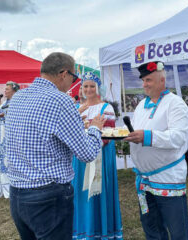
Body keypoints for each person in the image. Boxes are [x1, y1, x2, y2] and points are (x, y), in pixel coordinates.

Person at [5, 52, 106, 240]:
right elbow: (87, 153)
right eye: (74, 77)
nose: (73, 83)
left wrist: (74, 125)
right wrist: (94, 129)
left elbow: (37, 133)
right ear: (63, 73)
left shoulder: (18, 97)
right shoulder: (61, 100)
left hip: (17, 192)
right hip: (48, 195)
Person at [125, 61, 188, 240]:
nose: (144, 84)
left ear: (162, 80)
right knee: (151, 229)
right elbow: (136, 131)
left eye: (149, 80)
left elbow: (178, 137)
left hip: (167, 179)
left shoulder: (175, 104)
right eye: (144, 81)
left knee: (177, 232)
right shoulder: (141, 105)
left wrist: (146, 136)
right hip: (144, 181)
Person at [72, 71, 123, 239]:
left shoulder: (105, 108)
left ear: (98, 88)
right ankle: (82, 229)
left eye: (91, 86)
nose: (88, 89)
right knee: (81, 192)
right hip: (79, 158)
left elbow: (108, 134)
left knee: (98, 193)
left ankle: (100, 230)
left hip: (99, 155)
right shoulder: (78, 108)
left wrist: (89, 138)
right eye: (85, 86)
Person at [0, 81, 20, 199]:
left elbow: (14, 115)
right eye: (5, 89)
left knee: (10, 157)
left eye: (7, 89)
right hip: (1, 133)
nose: (5, 91)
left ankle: (11, 185)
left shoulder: (17, 102)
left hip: (11, 133)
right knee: (1, 157)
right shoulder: (5, 102)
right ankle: (1, 184)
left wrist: (4, 114)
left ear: (13, 90)